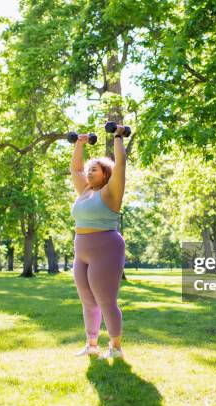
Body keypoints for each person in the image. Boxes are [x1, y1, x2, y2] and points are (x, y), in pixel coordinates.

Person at [69, 125, 128, 359]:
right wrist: (80, 144)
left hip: (106, 248)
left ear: (106, 174)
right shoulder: (84, 191)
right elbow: (75, 168)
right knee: (86, 298)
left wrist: (118, 137)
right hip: (81, 249)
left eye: (95, 170)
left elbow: (121, 165)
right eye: (89, 169)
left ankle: (115, 348)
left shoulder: (111, 192)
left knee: (105, 299)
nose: (89, 172)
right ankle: (92, 344)